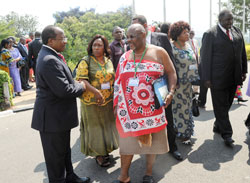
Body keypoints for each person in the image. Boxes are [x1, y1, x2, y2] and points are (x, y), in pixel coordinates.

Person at [112, 23, 177, 183]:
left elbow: (171, 72)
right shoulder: (125, 57)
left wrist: (171, 92)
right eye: (127, 37)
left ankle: (148, 173)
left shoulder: (159, 52)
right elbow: (118, 82)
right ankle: (123, 176)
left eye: (132, 36)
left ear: (143, 35)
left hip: (152, 110)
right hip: (128, 113)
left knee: (152, 144)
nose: (128, 40)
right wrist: (116, 106)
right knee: (127, 146)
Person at [31, 25, 90, 183]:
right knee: (55, 160)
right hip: (52, 119)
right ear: (51, 41)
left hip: (58, 118)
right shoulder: (49, 60)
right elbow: (64, 90)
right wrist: (82, 86)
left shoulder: (51, 55)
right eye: (62, 38)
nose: (65, 41)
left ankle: (70, 177)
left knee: (64, 152)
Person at [132, 15, 183, 161]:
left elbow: (171, 63)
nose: (134, 33)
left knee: (167, 116)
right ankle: (149, 149)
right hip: (140, 90)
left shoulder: (161, 38)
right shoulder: (131, 42)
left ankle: (172, 147)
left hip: (161, 86)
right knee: (145, 118)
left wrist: (173, 84)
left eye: (137, 28)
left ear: (145, 26)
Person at [200, 9, 248, 146]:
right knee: (221, 106)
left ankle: (217, 125)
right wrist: (206, 78)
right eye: (228, 20)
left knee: (226, 104)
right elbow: (205, 58)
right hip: (217, 78)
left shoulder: (237, 31)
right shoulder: (210, 34)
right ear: (220, 20)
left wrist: (244, 70)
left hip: (234, 76)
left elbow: (242, 53)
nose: (230, 22)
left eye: (232, 19)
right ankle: (227, 134)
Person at [76, 34, 118, 167]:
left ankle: (106, 150)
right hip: (92, 101)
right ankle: (98, 154)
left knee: (106, 126)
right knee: (95, 128)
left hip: (108, 100)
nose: (96, 47)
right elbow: (82, 80)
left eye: (100, 45)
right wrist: (96, 92)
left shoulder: (108, 60)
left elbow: (113, 77)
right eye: (94, 45)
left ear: (105, 47)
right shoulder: (85, 60)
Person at [169, 21, 199, 144]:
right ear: (177, 34)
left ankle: (185, 131)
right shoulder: (171, 47)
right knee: (177, 109)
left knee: (186, 108)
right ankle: (181, 132)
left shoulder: (188, 45)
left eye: (188, 31)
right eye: (184, 32)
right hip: (177, 85)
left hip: (188, 85)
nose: (187, 34)